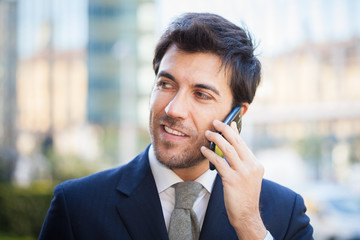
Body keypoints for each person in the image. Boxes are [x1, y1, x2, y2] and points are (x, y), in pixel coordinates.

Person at [39, 13, 313, 240]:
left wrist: (250, 225)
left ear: (237, 115)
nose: (173, 109)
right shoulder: (75, 205)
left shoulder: (285, 212)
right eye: (166, 84)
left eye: (201, 94)